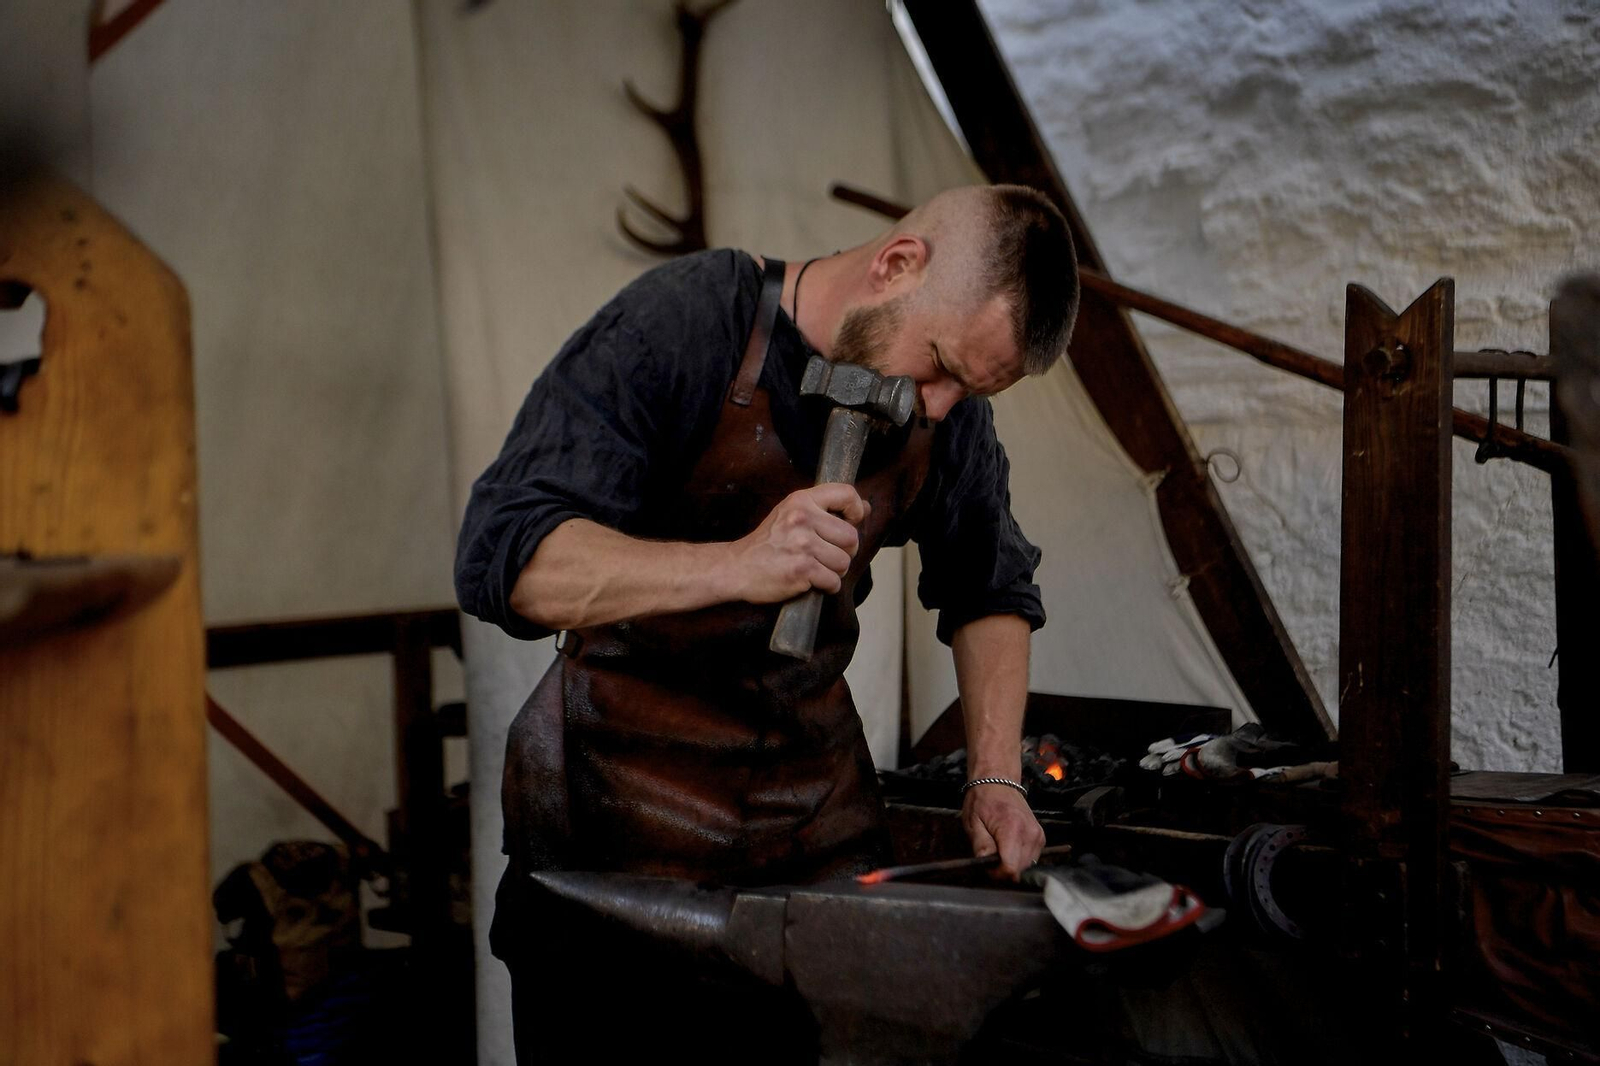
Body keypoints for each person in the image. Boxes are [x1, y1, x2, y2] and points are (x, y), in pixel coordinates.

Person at [456, 183, 1078, 1061]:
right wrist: (737, 565)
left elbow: (990, 587)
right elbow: (506, 558)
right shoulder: (691, 324)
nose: (936, 406)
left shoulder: (949, 417)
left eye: (968, 390)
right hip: (613, 836)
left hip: (807, 840)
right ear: (897, 267)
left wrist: (996, 775)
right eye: (937, 363)